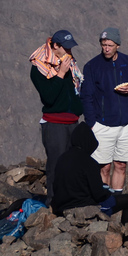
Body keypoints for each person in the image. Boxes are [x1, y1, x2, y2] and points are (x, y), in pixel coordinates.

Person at [81, 27, 128, 193]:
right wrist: (92, 124)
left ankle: (116, 200)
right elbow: (86, 96)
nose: (106, 48)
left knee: (121, 165)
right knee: (104, 167)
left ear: (118, 45)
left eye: (109, 45)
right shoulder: (92, 66)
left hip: (125, 125)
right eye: (103, 45)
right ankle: (104, 201)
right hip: (103, 125)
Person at [29, 29, 84, 205]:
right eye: (65, 48)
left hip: (73, 122)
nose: (69, 52)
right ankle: (53, 201)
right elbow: (48, 96)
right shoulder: (39, 68)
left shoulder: (70, 63)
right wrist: (60, 74)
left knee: (73, 163)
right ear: (55, 46)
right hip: (55, 124)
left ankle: (71, 197)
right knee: (56, 163)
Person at [52, 122, 128, 224]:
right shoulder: (89, 163)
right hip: (85, 209)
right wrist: (108, 192)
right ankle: (126, 233)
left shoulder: (62, 159)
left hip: (62, 207)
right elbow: (99, 195)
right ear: (89, 142)